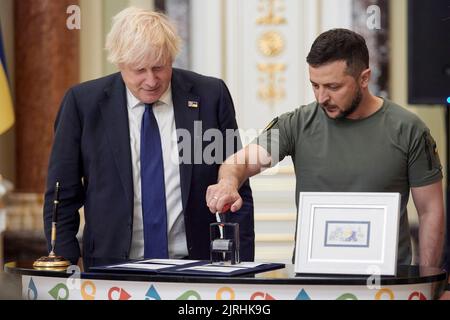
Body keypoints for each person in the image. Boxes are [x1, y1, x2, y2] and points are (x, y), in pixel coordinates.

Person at [206, 28, 444, 269]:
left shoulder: (409, 129)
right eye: (315, 85)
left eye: (333, 86)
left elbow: (430, 210)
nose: (322, 98)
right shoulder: (297, 123)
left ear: (364, 78)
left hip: (388, 284)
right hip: (313, 283)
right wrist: (228, 183)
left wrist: (430, 281)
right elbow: (243, 162)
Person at [43, 7, 254, 269]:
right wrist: (65, 265)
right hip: (111, 268)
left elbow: (238, 186)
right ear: (119, 63)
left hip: (197, 265)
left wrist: (243, 266)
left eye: (159, 67)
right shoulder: (83, 104)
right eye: (139, 70)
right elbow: (62, 194)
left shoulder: (211, 96)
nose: (151, 80)